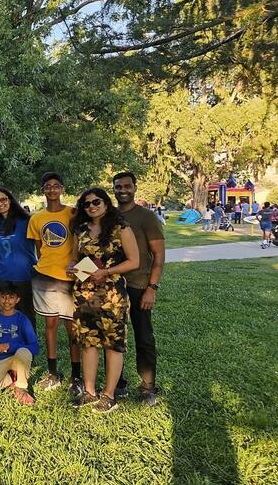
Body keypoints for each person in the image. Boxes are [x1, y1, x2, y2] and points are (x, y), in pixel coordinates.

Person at [68, 188, 140, 414]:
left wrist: (107, 272)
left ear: (106, 203)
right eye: (86, 204)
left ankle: (109, 395)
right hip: (85, 292)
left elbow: (134, 261)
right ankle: (89, 392)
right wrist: (73, 269)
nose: (91, 206)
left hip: (111, 294)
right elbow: (74, 259)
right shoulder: (80, 230)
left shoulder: (121, 228)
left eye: (96, 201)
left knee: (112, 343)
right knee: (88, 342)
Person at [113, 172, 165, 405]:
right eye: (118, 186)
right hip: (113, 286)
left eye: (127, 186)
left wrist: (152, 287)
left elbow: (159, 254)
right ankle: (118, 382)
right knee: (114, 336)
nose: (122, 190)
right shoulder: (108, 216)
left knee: (144, 337)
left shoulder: (146, 217)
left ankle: (147, 386)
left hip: (139, 285)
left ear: (134, 188)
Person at [27, 172, 82, 394]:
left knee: (72, 328)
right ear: (43, 190)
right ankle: (53, 373)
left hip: (70, 278)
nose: (51, 189)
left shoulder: (73, 214)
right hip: (45, 278)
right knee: (50, 326)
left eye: (56, 186)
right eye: (47, 186)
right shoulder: (36, 218)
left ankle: (76, 377)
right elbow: (40, 247)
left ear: (62, 189)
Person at [0, 187, 38, 332]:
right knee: (7, 315)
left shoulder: (26, 220)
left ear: (10, 200)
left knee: (26, 315)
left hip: (24, 275)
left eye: (3, 199)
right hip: (4, 276)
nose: (0, 203)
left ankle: (28, 349)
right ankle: (11, 348)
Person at [0, 282, 39, 405]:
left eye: (11, 297)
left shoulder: (22, 319)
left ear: (17, 299)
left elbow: (34, 347)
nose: (7, 301)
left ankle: (21, 387)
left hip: (17, 358)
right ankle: (11, 378)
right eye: (3, 296)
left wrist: (10, 346)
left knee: (24, 352)